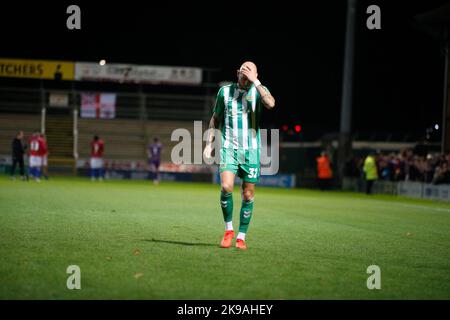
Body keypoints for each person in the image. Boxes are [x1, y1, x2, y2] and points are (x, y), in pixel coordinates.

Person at [204, 61, 276, 250]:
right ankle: (229, 230)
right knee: (226, 186)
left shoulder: (259, 90)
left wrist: (256, 81)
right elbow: (216, 118)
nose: (245, 80)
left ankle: (241, 237)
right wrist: (208, 143)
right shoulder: (225, 92)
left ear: (255, 75)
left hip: (251, 151)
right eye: (243, 76)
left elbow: (270, 103)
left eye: (249, 76)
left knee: (248, 193)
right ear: (237, 74)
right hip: (228, 148)